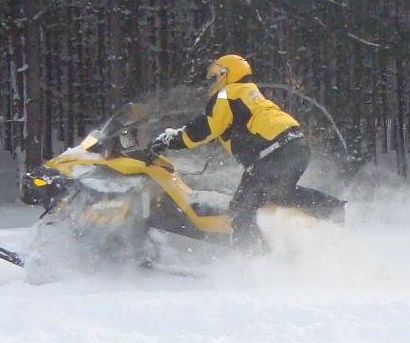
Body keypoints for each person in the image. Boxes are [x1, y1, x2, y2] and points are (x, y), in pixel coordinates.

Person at [146, 54, 343, 253]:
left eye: (215, 77)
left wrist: (170, 139)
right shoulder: (248, 93)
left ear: (226, 74)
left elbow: (206, 127)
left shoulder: (226, 94)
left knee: (241, 207)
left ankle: (250, 261)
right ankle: (331, 209)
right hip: (296, 145)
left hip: (273, 153)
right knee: (278, 194)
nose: (212, 82)